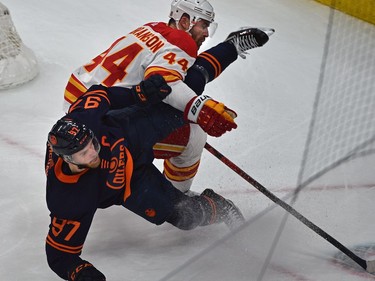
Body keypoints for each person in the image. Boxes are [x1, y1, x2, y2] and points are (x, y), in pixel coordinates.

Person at [45, 75, 245, 280]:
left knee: (179, 99)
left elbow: (100, 93)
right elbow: (60, 256)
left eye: (92, 144)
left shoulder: (80, 121)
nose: (93, 153)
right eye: (84, 153)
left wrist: (137, 93)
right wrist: (80, 273)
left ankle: (230, 48)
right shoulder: (66, 198)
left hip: (128, 131)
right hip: (130, 184)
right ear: (67, 158)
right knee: (187, 217)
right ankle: (221, 206)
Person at [63, 0, 274, 194]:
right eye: (204, 25)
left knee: (186, 79)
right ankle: (177, 196)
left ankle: (231, 47)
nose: (207, 33)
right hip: (106, 127)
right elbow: (165, 83)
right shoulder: (183, 41)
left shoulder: (152, 27)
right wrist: (201, 108)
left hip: (78, 104)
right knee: (195, 132)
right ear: (185, 21)